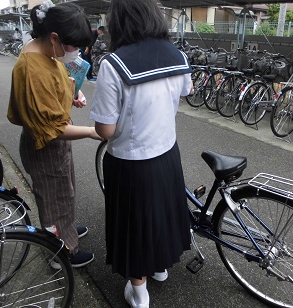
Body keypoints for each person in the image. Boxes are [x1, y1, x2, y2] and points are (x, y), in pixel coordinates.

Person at [89, 0, 193, 306]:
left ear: (119, 22)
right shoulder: (177, 55)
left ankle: (139, 291)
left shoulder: (114, 64)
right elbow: (185, 91)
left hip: (130, 161)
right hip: (167, 153)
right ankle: (160, 267)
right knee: (162, 214)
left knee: (133, 223)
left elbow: (105, 130)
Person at [7, 0, 101, 268]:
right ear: (54, 38)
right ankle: (61, 253)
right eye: (72, 47)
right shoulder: (32, 67)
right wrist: (92, 132)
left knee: (64, 192)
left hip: (53, 141)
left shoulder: (46, 52)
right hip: (46, 145)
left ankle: (67, 231)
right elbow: (53, 129)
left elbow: (61, 80)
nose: (74, 53)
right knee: (54, 199)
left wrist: (74, 92)